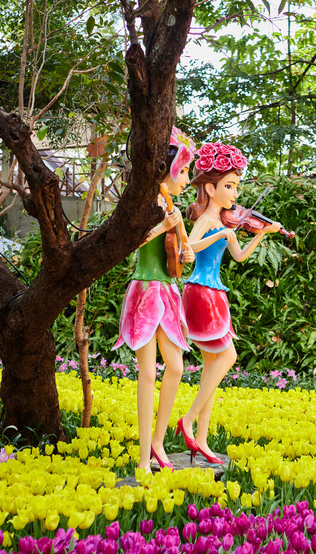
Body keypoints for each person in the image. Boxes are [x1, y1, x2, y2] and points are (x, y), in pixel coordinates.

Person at [175, 142, 281, 464]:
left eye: (236, 186)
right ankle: (188, 420)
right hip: (201, 291)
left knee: (211, 366)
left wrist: (262, 233)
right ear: (210, 187)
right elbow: (187, 246)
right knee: (228, 356)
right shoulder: (208, 220)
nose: (235, 194)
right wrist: (218, 235)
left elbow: (239, 256)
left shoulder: (225, 223)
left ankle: (202, 441)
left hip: (216, 293)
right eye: (229, 186)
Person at [112, 127, 197, 473]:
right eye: (184, 171)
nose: (187, 179)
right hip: (145, 290)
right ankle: (143, 457)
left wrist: (184, 242)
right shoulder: (146, 202)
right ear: (170, 169)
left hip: (168, 291)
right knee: (147, 373)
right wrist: (165, 226)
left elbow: (185, 251)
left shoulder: (171, 204)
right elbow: (130, 243)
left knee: (175, 367)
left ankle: (158, 442)